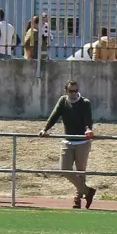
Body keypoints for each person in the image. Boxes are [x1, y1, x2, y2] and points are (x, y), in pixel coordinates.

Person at [39, 81, 97, 209]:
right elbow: (54, 116)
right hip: (67, 141)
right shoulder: (62, 101)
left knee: (81, 171)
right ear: (66, 91)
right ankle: (88, 192)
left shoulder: (85, 102)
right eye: (71, 91)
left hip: (82, 142)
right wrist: (45, 129)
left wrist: (88, 129)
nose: (74, 93)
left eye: (76, 90)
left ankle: (77, 199)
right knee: (64, 169)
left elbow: (88, 119)